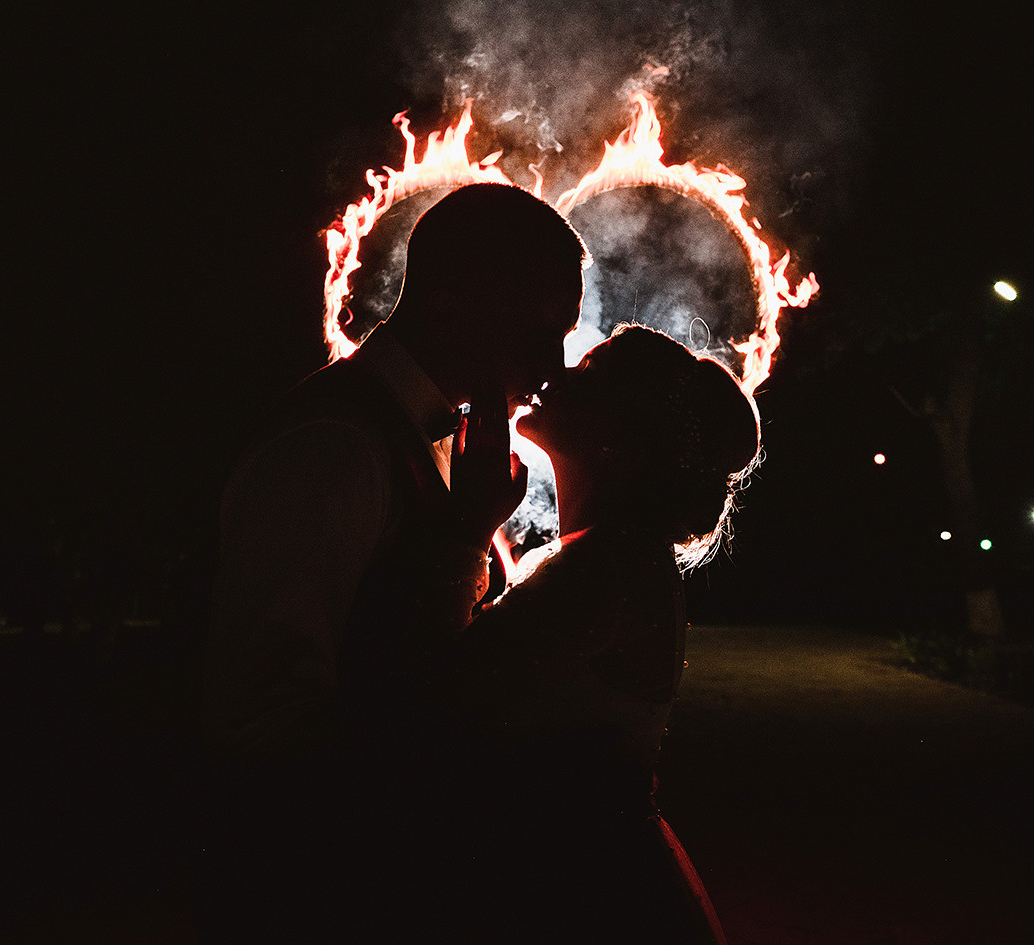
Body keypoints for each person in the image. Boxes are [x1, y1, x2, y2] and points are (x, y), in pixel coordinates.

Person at [195, 182, 590, 942]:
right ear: (446, 304)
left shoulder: (434, 435)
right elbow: (259, 721)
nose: (556, 364)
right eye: (541, 330)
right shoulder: (334, 447)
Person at [427, 324, 760, 944]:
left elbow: (443, 695)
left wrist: (468, 531)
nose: (557, 374)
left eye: (588, 373)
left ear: (621, 443)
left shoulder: (603, 569)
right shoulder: (610, 557)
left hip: (574, 888)